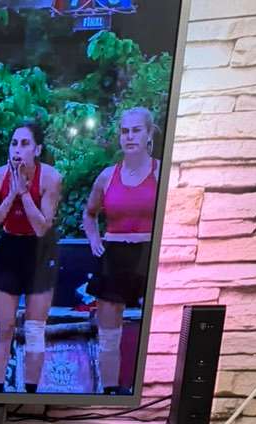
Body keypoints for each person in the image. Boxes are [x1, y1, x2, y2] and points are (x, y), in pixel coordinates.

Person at [83, 108, 160, 394]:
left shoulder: (160, 172)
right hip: (114, 255)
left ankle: (152, 392)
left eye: (136, 130)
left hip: (148, 255)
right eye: (125, 131)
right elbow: (89, 213)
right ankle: (109, 394)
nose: (129, 136)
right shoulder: (107, 176)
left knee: (156, 327)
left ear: (149, 134)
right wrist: (94, 239)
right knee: (108, 337)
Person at [0, 122, 62, 393]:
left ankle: (30, 395)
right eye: (14, 143)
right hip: (10, 247)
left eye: (25, 144)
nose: (17, 149)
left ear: (37, 150)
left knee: (35, 329)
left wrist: (25, 193)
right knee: (4, 327)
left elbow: (41, 227)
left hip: (40, 250)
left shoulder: (50, 178)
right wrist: (11, 196)